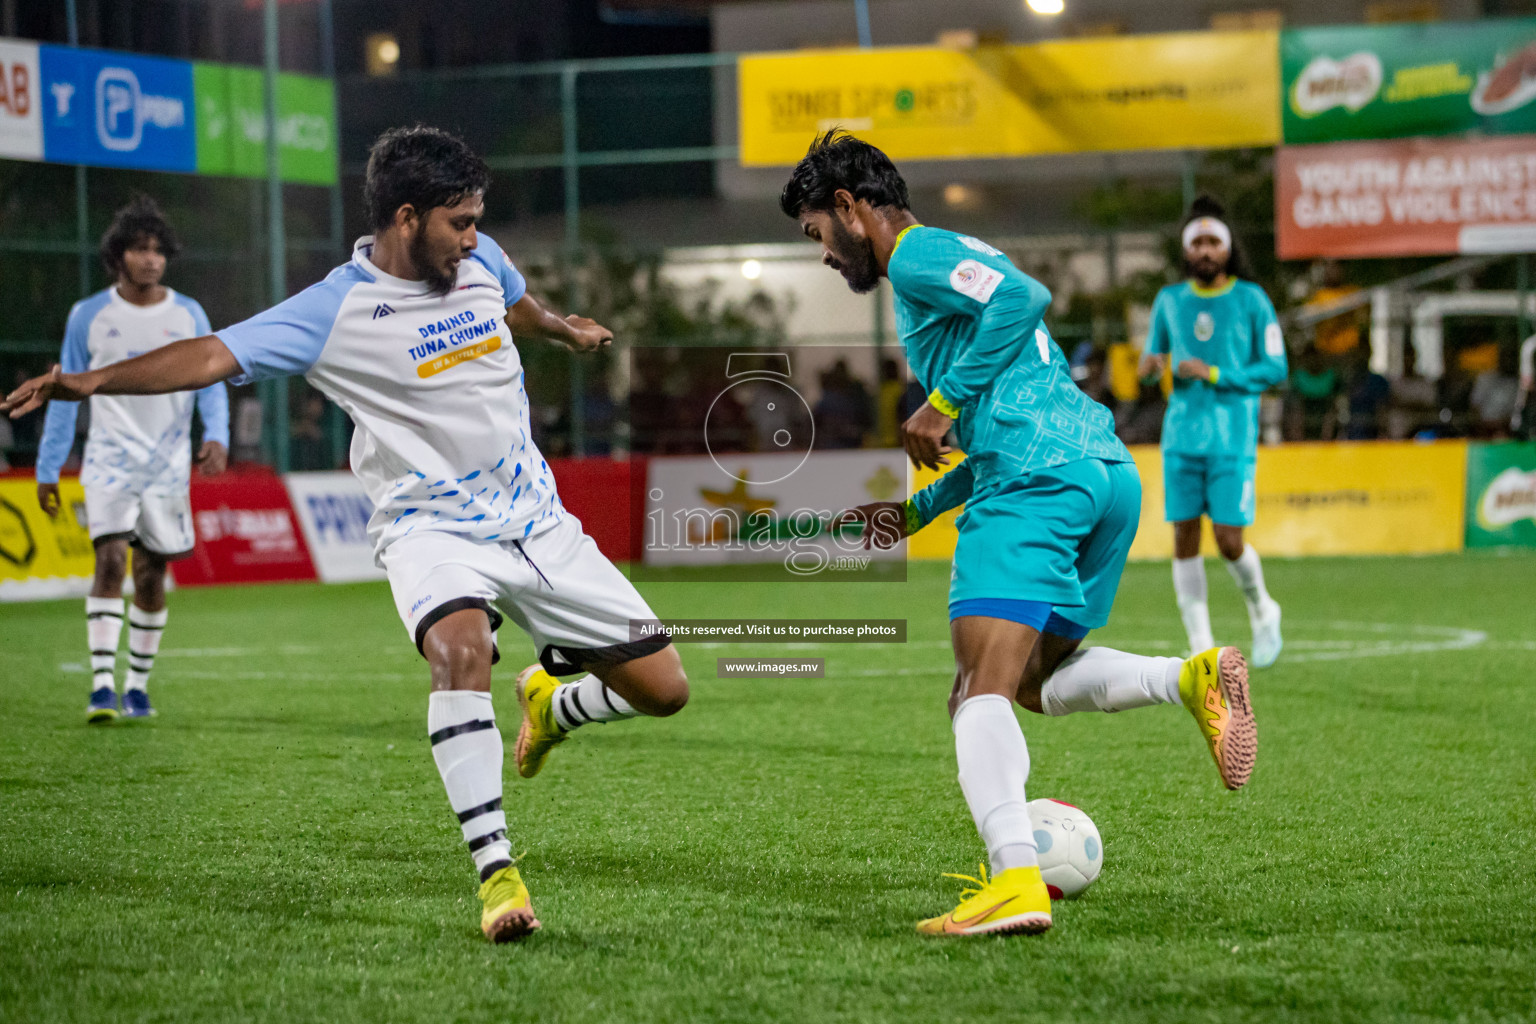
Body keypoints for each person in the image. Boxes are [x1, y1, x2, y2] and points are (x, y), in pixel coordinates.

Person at [5, 125, 689, 944]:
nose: (474, 238)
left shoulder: (478, 260)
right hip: (431, 526)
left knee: (665, 691)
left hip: (538, 522)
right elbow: (209, 355)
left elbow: (515, 301)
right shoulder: (334, 309)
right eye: (459, 223)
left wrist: (562, 328)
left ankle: (553, 702)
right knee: (461, 653)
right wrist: (89, 383)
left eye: (476, 221)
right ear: (407, 218)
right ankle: (497, 870)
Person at [785, 132, 1256, 940]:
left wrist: (939, 401)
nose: (823, 254)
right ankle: (1191, 678)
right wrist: (914, 514)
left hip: (1039, 483)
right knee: (1037, 679)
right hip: (1100, 473)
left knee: (976, 693)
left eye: (815, 234)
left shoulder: (916, 256)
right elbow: (997, 419)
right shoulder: (946, 264)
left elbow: (1025, 297)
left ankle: (1014, 880)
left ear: (848, 208)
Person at [33, 195, 229, 723]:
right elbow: (63, 394)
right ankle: (101, 686)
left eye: (159, 250)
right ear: (118, 255)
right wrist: (48, 467)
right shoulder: (89, 317)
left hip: (166, 466)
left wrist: (217, 433)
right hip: (108, 462)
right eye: (140, 249)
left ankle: (137, 687)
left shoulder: (188, 313)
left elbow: (210, 378)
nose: (151, 259)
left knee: (149, 576)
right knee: (110, 561)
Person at [1138, 197, 1287, 668]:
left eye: (1213, 242)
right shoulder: (1169, 300)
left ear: (1227, 248)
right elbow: (1150, 365)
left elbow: (1275, 367)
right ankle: (1201, 647)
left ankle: (1263, 609)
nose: (1205, 250)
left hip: (1231, 438)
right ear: (1187, 251)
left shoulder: (1251, 299)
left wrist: (1217, 374)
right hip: (1180, 438)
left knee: (1228, 541)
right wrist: (1146, 369)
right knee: (1184, 539)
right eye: (1197, 242)